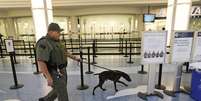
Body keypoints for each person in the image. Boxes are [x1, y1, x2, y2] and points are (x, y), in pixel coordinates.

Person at [36, 23, 81, 101]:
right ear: (51, 32)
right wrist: (48, 77)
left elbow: (65, 52)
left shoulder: (58, 41)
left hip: (62, 69)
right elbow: (41, 61)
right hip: (53, 71)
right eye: (58, 32)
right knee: (62, 90)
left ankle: (46, 99)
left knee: (60, 88)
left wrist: (75, 58)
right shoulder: (44, 43)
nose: (59, 34)